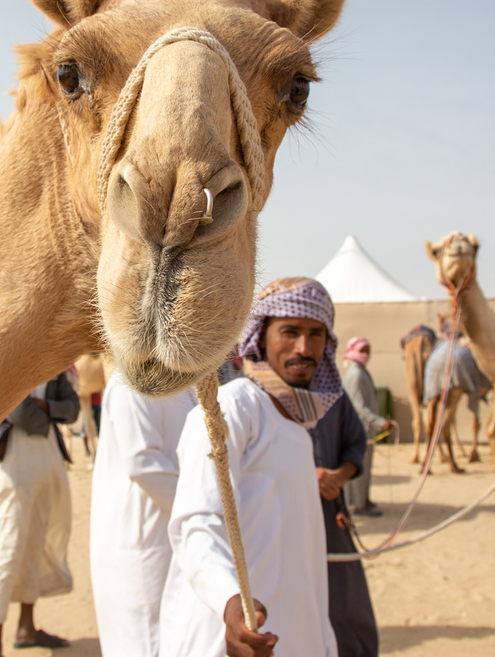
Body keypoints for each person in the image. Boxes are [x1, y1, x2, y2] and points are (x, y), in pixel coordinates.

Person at [160, 277, 346, 657]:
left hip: (294, 635)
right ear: (261, 337)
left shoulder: (299, 427)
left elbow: (305, 561)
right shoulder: (232, 408)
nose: (304, 348)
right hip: (226, 634)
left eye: (316, 335)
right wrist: (229, 602)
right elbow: (196, 523)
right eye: (290, 332)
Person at [90, 367, 198, 657]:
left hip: (174, 534)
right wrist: (200, 511)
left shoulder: (184, 383)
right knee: (144, 641)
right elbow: (143, 463)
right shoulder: (131, 381)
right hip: (141, 541)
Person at [0, 369, 80, 656]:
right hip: (16, 463)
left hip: (47, 460)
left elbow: (72, 408)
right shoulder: (9, 359)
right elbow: (20, 413)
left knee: (38, 541)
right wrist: (50, 415)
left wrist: (47, 408)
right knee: (8, 546)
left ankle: (26, 626)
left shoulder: (55, 366)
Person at [309, 372, 380, 656]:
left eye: (315, 334)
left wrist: (337, 477)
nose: (304, 346)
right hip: (280, 522)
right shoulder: (253, 400)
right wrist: (305, 475)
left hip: (330, 515)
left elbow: (355, 445)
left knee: (349, 612)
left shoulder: (332, 394)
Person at [339, 337, 394, 517]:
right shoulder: (355, 374)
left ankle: (364, 500)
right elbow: (358, 407)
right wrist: (379, 422)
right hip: (359, 429)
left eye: (367, 350)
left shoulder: (361, 371)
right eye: (362, 350)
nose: (365, 354)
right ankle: (358, 505)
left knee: (366, 465)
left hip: (366, 430)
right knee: (358, 466)